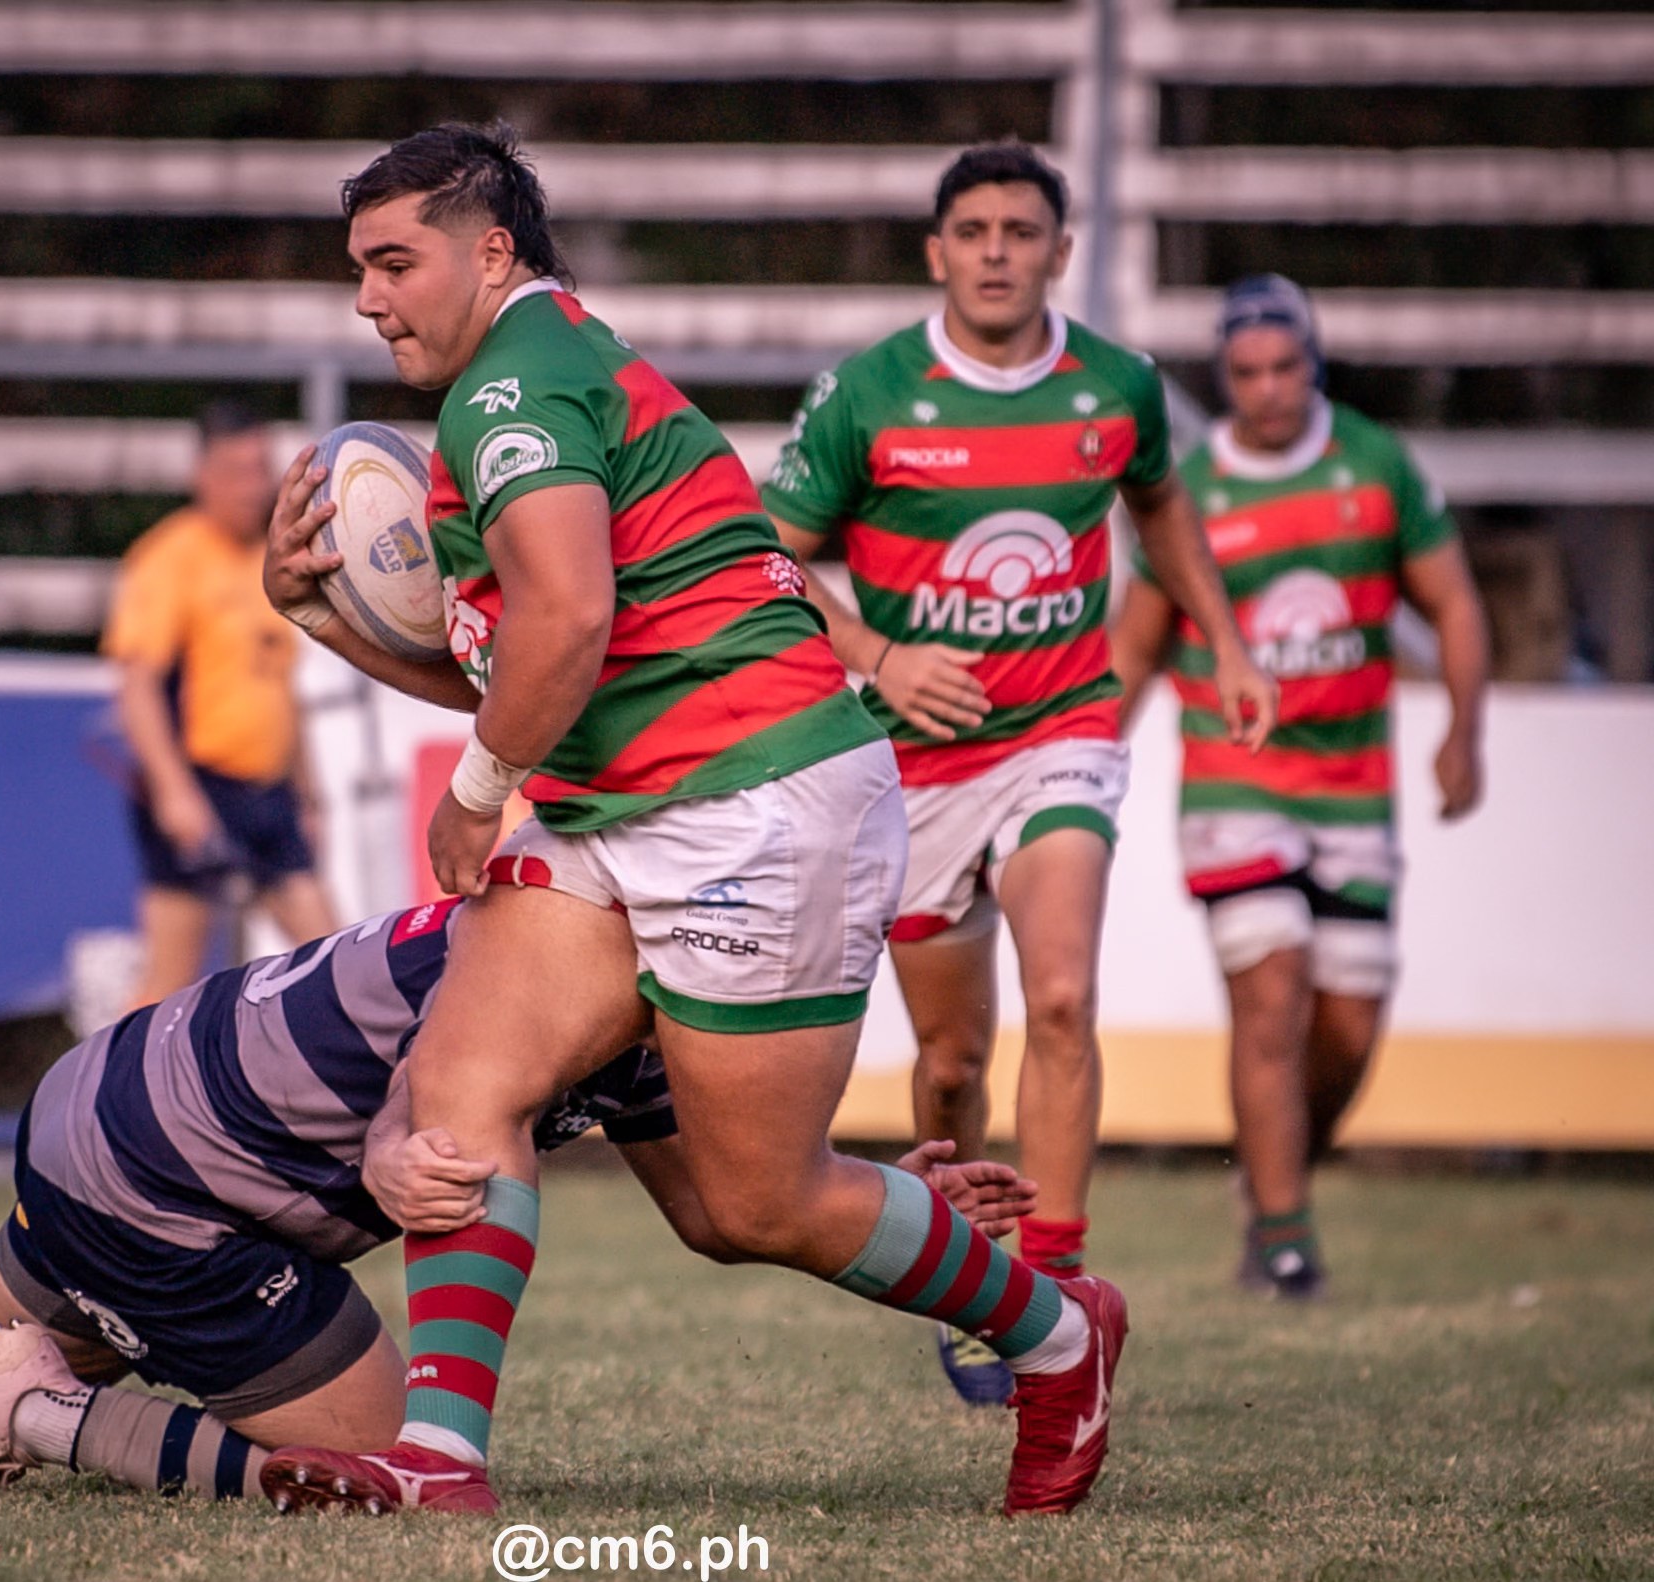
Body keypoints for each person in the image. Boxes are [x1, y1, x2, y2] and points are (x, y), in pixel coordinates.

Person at [257, 122, 1128, 1518]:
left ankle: (1062, 1337)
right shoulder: (542, 366)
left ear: (490, 254)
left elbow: (571, 617)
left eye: (391, 260)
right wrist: (318, 616)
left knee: (751, 1205)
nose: (367, 295)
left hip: (753, 798)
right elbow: (525, 655)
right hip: (629, 800)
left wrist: (477, 793)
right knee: (467, 1089)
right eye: (358, 266)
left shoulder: (511, 388)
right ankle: (441, 1457)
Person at [0, 898, 1039, 1502]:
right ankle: (41, 1407)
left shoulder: (604, 939)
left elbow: (726, 1199)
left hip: (107, 1100)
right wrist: (393, 1159)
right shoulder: (600, 973)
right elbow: (435, 1084)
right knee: (394, 1477)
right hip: (171, 1182)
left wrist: (865, 1187)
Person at [758, 141, 1277, 1402]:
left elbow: (1157, 507)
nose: (996, 250)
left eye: (1020, 229)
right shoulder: (869, 394)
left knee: (1059, 996)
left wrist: (1222, 637)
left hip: (1061, 731)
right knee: (948, 1060)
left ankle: (1057, 1286)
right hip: (912, 765)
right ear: (936, 251)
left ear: (1059, 247)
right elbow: (764, 556)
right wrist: (880, 651)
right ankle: (975, 1265)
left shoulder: (1116, 386)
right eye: (973, 229)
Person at [1110, 275, 1489, 1297]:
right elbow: (1134, 650)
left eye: (1284, 367)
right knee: (1268, 995)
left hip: (1353, 787)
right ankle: (1282, 1240)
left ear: (1311, 363)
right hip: (1233, 782)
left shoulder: (1372, 465)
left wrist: (1462, 728)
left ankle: (1273, 1178)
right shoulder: (1186, 491)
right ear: (1221, 378)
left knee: (1346, 1027)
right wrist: (1083, 764)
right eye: (1244, 373)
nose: (1266, 389)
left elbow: (1450, 602)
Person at [103, 401, 337, 1008]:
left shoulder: (274, 560)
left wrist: (308, 795)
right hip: (199, 784)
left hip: (268, 793)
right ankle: (107, 1098)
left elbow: (283, 692)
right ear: (200, 475)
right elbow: (138, 689)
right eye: (235, 470)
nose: (251, 486)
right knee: (168, 984)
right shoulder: (169, 558)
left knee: (333, 956)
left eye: (260, 469)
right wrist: (175, 791)